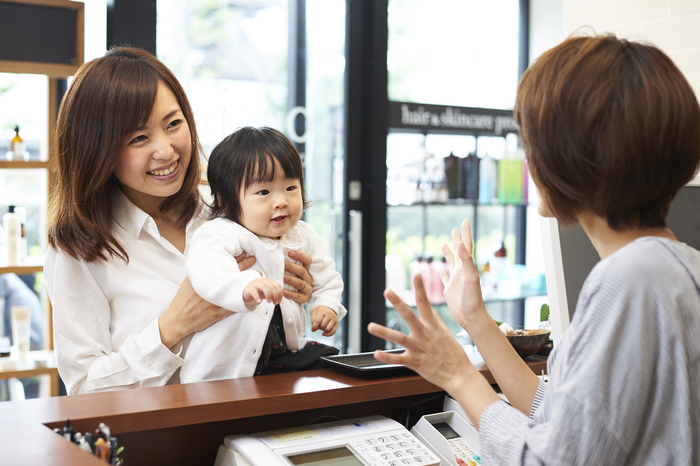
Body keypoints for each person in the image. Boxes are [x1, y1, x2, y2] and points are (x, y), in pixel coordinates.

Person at [368, 33, 700, 465]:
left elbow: (554, 460)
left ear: (570, 155)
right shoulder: (676, 265)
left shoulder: (628, 279)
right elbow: (561, 417)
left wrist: (458, 375)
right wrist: (475, 319)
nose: (529, 161)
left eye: (532, 144)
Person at [44, 47, 315, 395]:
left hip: (260, 420)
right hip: (163, 441)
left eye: (174, 124)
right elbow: (85, 389)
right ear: (97, 149)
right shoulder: (78, 247)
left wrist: (296, 292)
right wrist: (171, 327)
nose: (167, 150)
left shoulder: (227, 207)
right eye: (138, 138)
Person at [181, 126, 346, 382]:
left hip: (283, 352)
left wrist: (326, 306)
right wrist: (245, 285)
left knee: (332, 366)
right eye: (264, 192)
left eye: (290, 188)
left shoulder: (303, 235)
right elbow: (207, 271)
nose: (281, 201)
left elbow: (326, 277)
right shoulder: (221, 233)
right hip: (226, 365)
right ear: (226, 201)